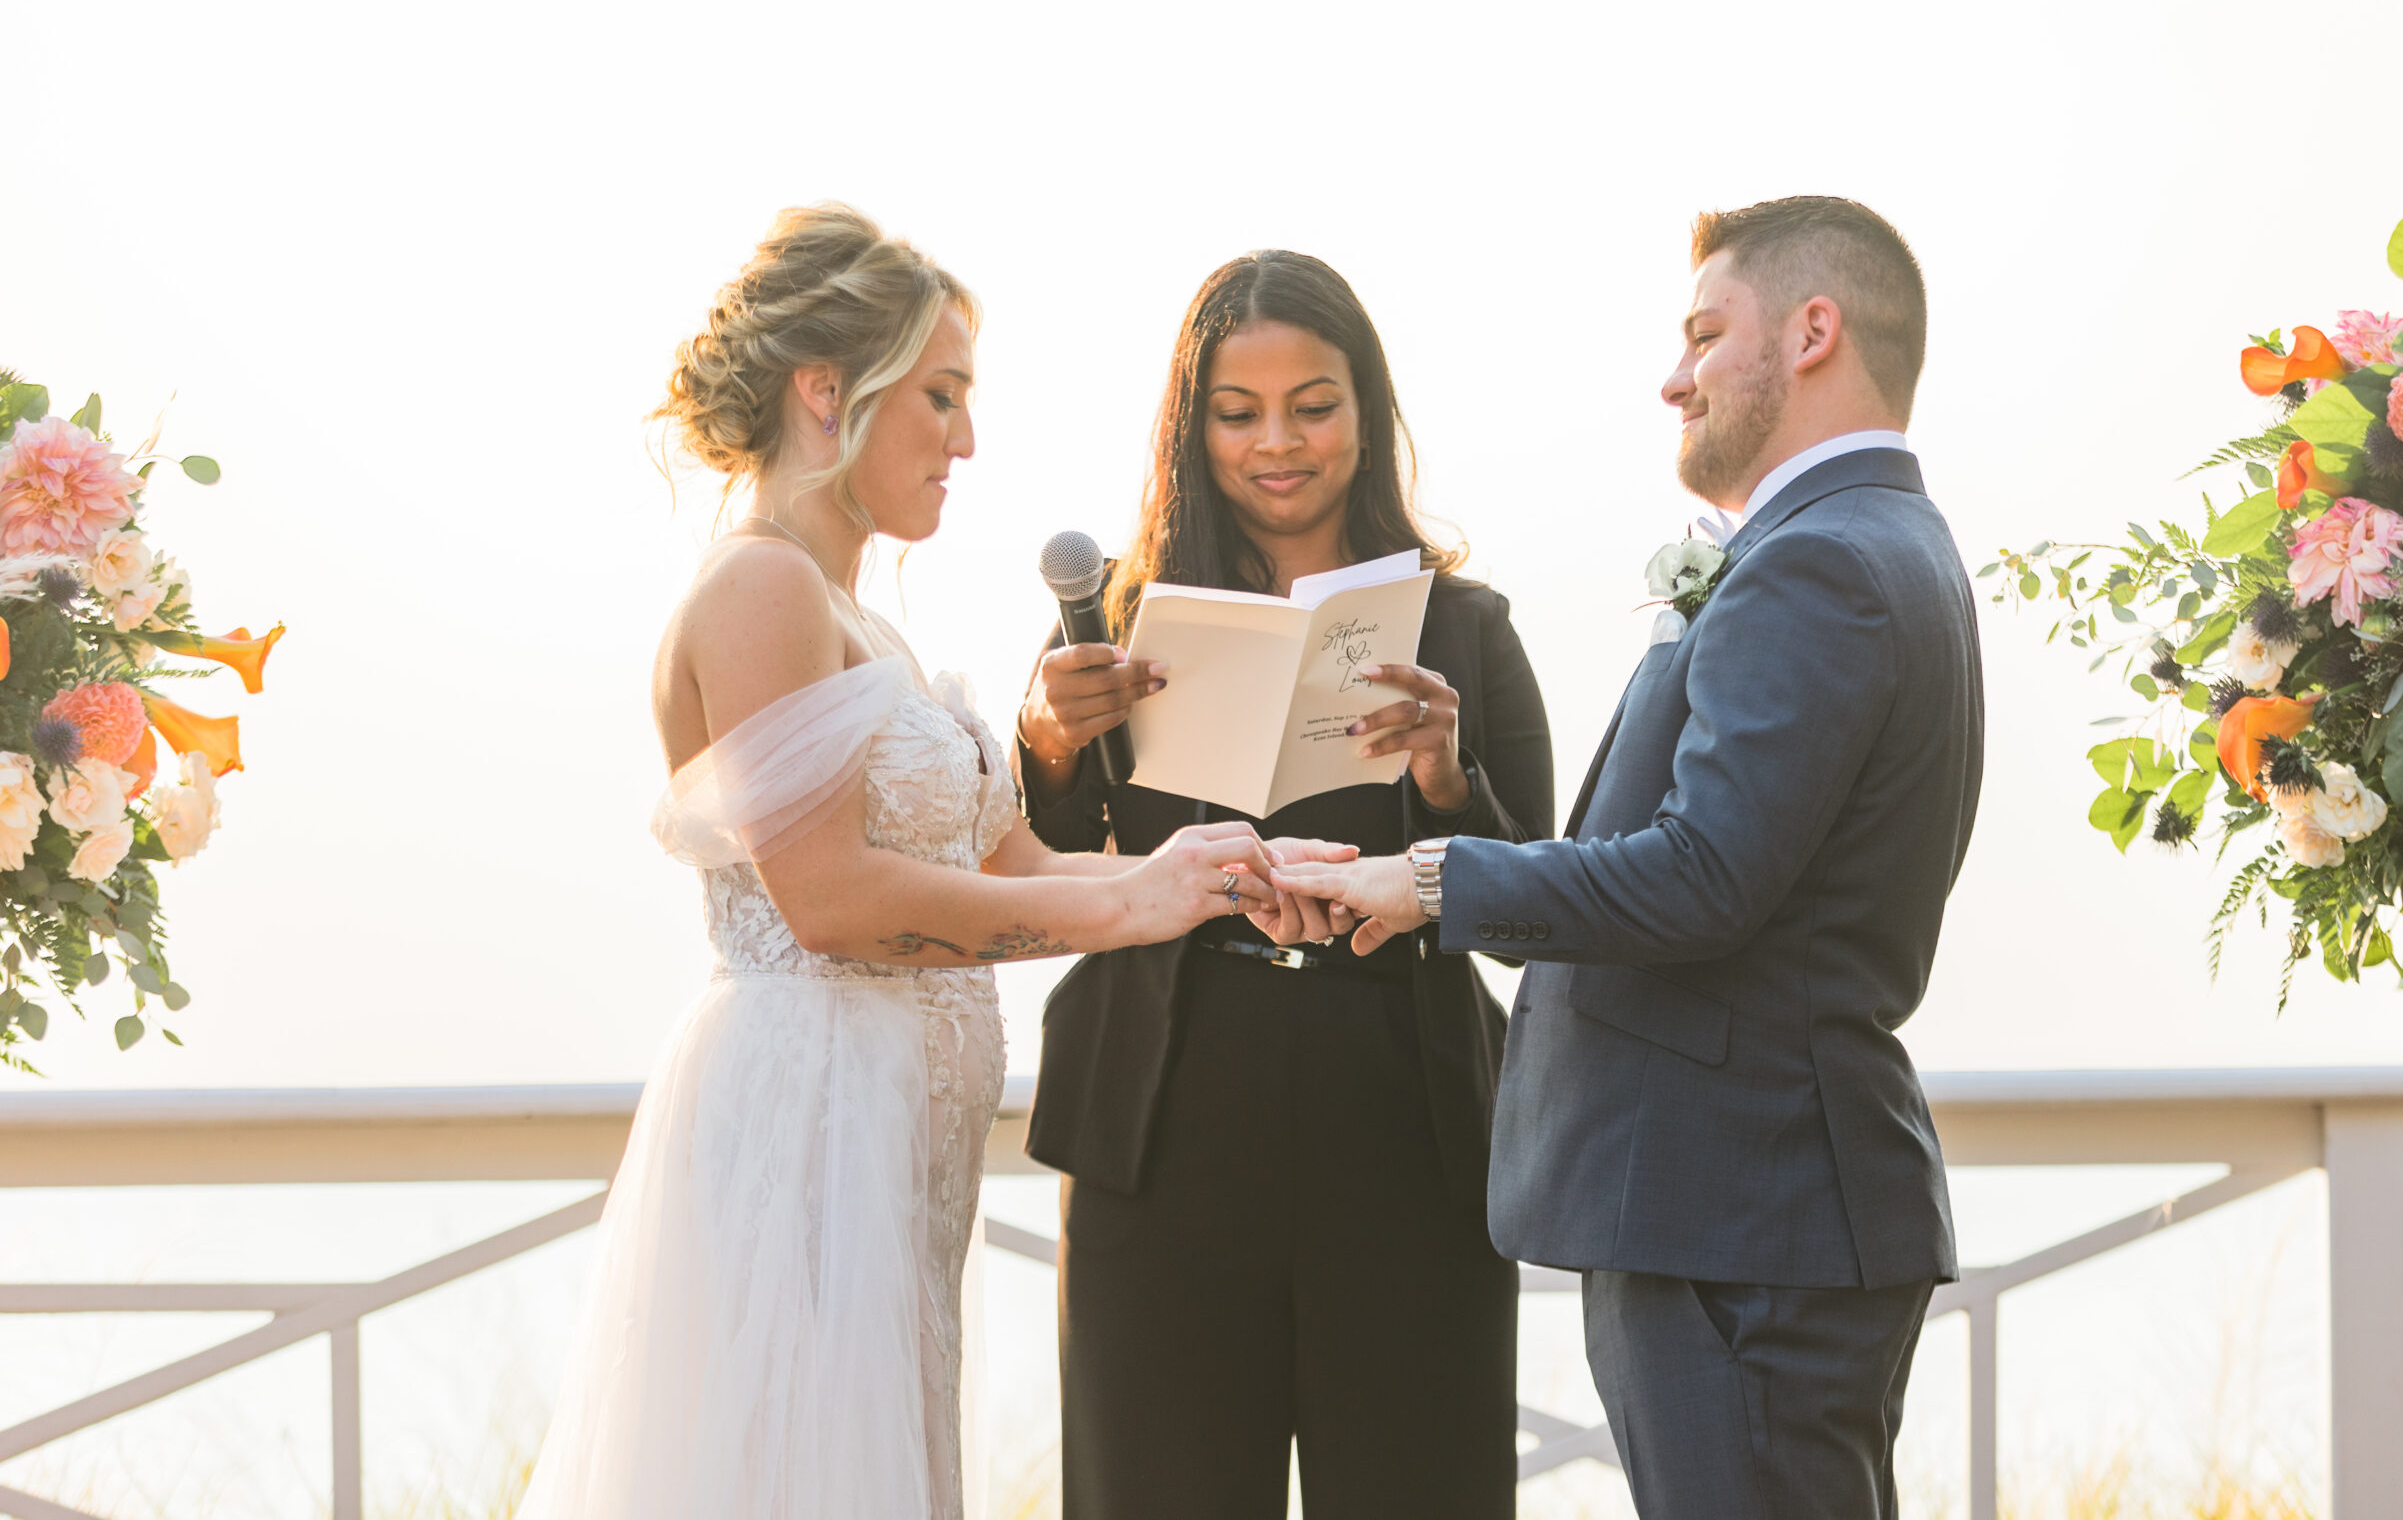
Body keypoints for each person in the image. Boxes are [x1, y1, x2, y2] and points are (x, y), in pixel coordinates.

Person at [516, 205, 1340, 1520]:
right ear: (826, 390)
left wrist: (1202, 864)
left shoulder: (861, 620)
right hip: (810, 1137)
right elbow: (832, 899)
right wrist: (1129, 905)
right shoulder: (761, 589)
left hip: (890, 1159)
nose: (966, 439)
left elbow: (1009, 854)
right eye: (943, 396)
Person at [1275, 197, 1982, 1520]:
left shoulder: (1818, 559)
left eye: (1707, 333)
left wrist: (1427, 880)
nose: (1675, 374)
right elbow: (1683, 862)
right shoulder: (1874, 539)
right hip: (1745, 1203)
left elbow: (1705, 877)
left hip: (1742, 1209)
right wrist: (1451, 803)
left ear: (1814, 331)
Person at [1013, 249, 1553, 1519]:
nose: (1278, 444)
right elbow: (1031, 863)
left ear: (1367, 414)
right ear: (1191, 431)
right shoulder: (1110, 621)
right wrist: (1041, 735)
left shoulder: (1466, 628)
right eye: (1237, 412)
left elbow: (1540, 902)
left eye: (1314, 404)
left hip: (1403, 1117)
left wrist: (1439, 771)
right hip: (1163, 1113)